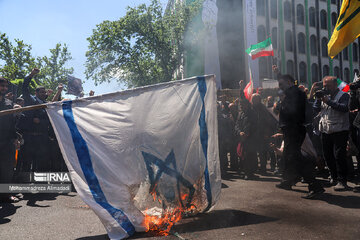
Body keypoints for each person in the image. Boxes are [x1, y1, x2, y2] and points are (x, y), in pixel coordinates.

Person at [276, 74, 324, 199]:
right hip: (291, 129)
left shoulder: (295, 92)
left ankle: (315, 185)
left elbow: (293, 112)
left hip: (294, 129)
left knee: (295, 157)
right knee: (289, 156)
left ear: (288, 82)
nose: (280, 87)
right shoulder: (293, 92)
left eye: (281, 84)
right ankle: (288, 180)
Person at [314, 76, 350, 191]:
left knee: (339, 156)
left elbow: (344, 108)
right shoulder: (324, 96)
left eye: (328, 86)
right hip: (325, 130)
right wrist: (318, 99)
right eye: (324, 86)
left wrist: (329, 101)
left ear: (335, 85)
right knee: (327, 155)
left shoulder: (344, 95)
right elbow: (315, 109)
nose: (326, 88)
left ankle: (342, 181)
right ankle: (333, 177)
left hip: (340, 130)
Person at [17, 68, 51, 173]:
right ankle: (23, 182)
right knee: (26, 161)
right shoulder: (31, 100)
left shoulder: (48, 105)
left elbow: (49, 121)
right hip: (29, 137)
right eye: (41, 92)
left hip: (41, 138)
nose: (43, 93)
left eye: (44, 92)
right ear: (36, 93)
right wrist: (31, 75)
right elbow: (24, 88)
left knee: (41, 162)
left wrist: (40, 121)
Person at [0, 77, 20, 202]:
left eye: (6, 86)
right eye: (2, 86)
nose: (4, 88)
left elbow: (12, 123)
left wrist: (15, 138)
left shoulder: (9, 103)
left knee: (7, 169)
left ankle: (5, 195)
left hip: (7, 142)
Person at [235, 98, 257, 180]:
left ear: (247, 105)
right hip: (242, 138)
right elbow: (237, 125)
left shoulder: (253, 113)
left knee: (250, 156)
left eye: (242, 104)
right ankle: (245, 172)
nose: (241, 106)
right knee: (243, 156)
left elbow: (254, 125)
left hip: (250, 138)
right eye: (240, 105)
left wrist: (247, 133)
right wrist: (240, 132)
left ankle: (250, 173)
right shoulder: (240, 114)